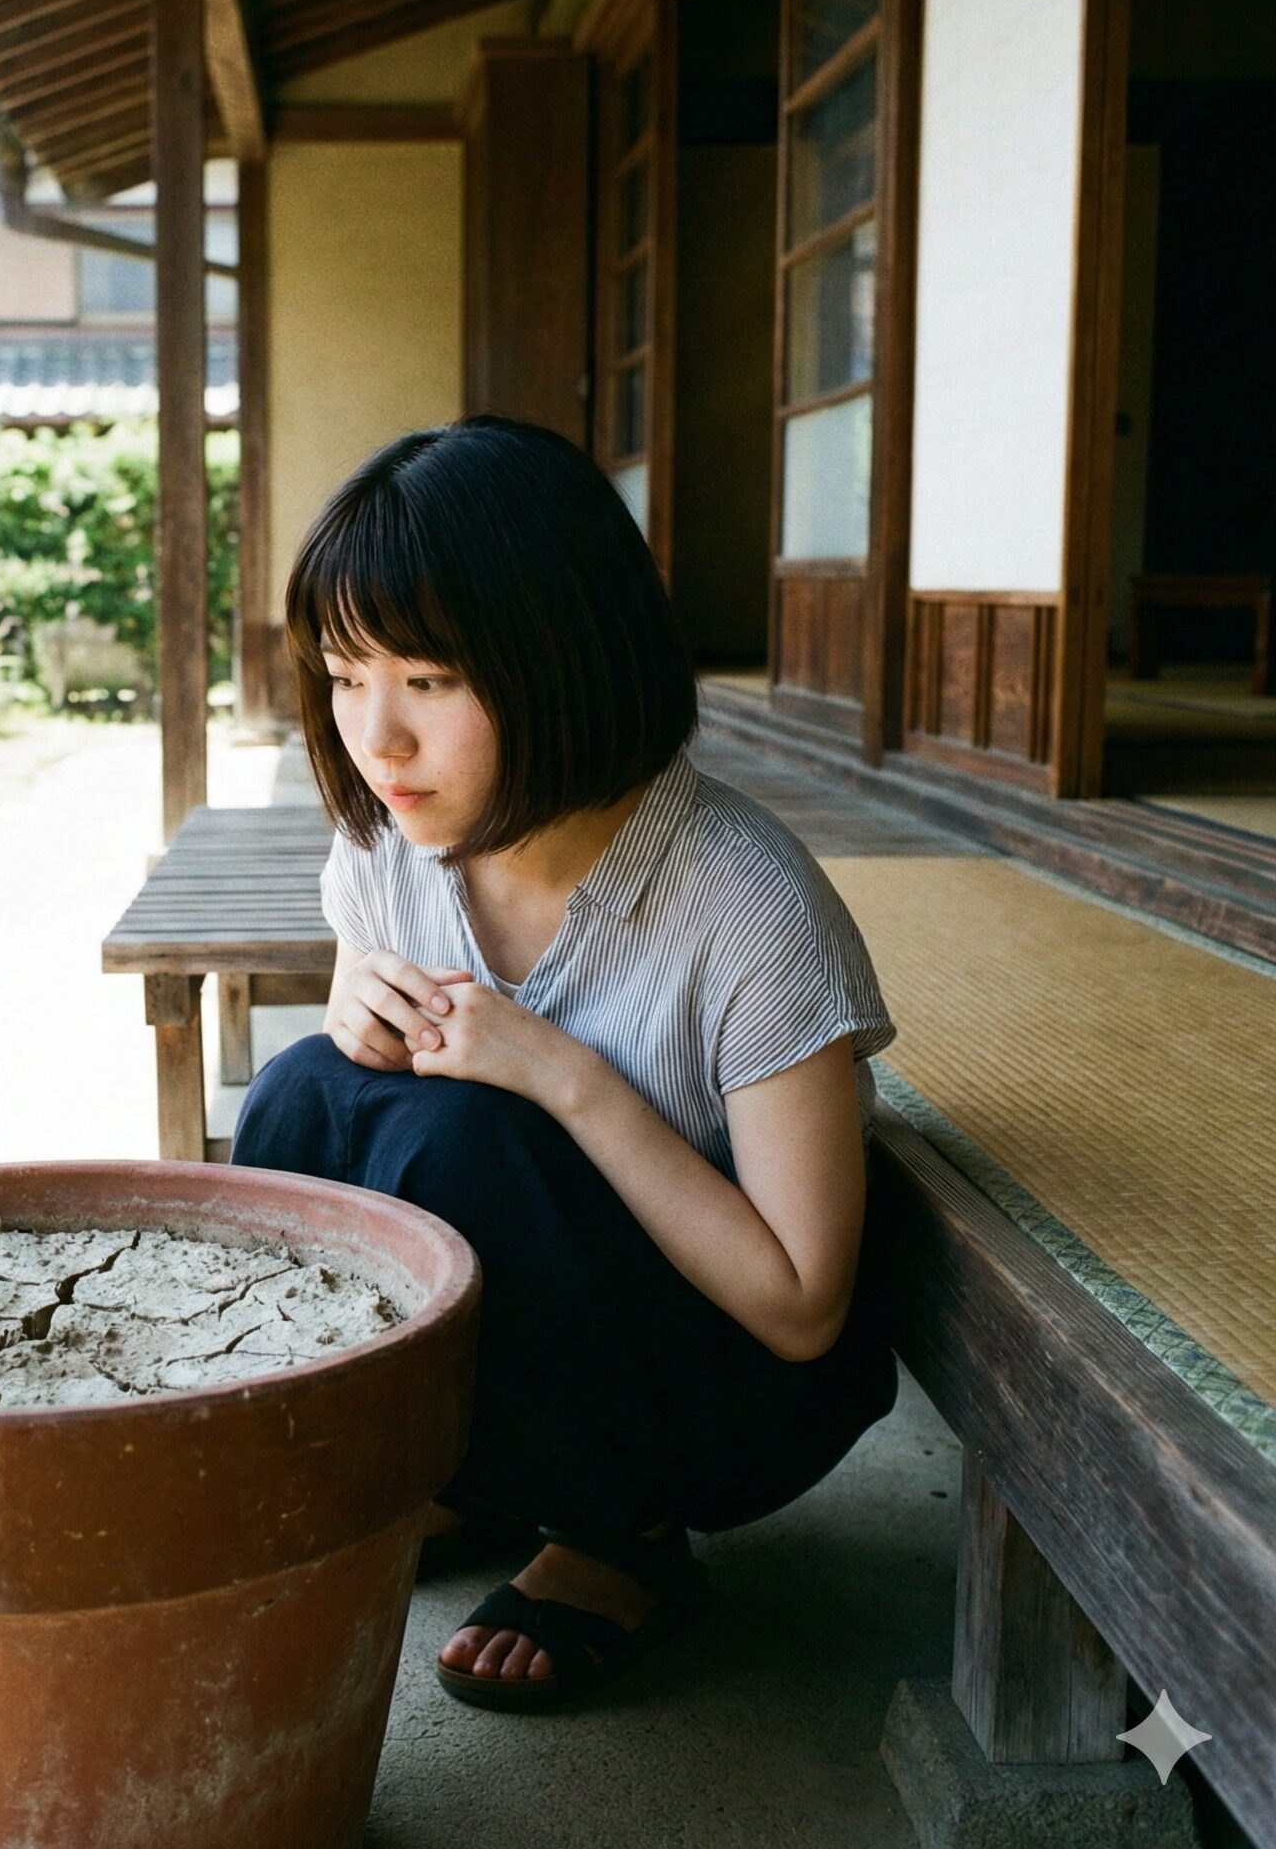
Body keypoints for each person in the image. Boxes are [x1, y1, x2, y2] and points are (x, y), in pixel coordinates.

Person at [230, 414, 901, 1713]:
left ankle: (618, 1542)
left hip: (721, 1391)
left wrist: (561, 1072)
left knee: (465, 1137)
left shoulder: (745, 902)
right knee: (306, 1087)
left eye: (428, 680)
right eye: (344, 673)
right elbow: (360, 1126)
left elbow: (805, 1306)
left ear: (562, 658)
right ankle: (441, 1475)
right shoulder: (386, 849)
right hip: (548, 1325)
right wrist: (355, 1015)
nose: (379, 737)